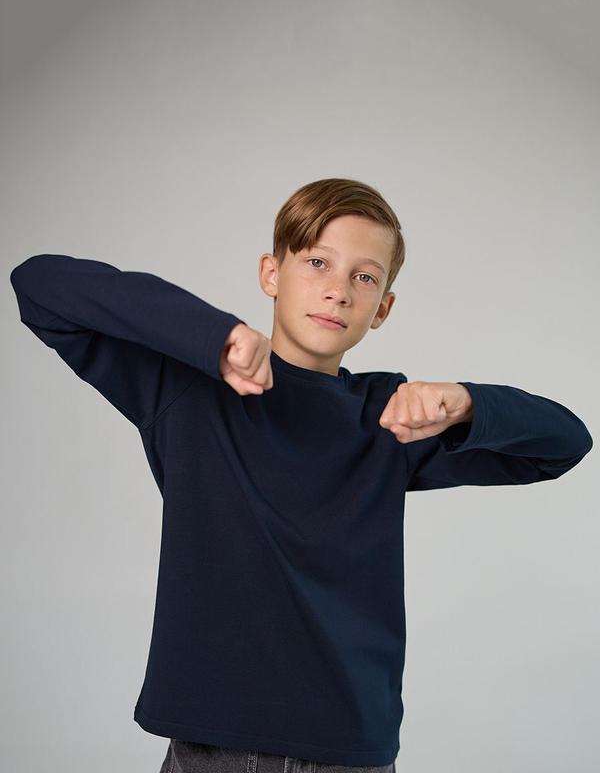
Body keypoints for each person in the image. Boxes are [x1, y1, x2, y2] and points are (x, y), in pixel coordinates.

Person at [9, 177, 593, 773]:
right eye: (317, 262)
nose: (338, 291)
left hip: (348, 747)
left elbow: (563, 445)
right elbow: (39, 285)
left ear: (382, 307)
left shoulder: (390, 419)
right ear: (271, 274)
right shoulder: (188, 388)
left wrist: (467, 403)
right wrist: (213, 336)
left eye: (364, 277)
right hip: (214, 742)